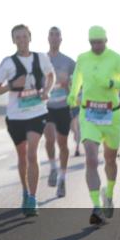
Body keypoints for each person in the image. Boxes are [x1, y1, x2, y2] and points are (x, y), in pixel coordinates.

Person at [67, 26, 120, 226]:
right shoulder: (83, 58)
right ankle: (96, 207)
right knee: (90, 159)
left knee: (110, 160)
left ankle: (110, 194)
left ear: (106, 40)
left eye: (99, 42)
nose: (96, 45)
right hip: (89, 115)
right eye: (93, 42)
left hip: (112, 115)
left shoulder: (115, 58)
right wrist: (73, 95)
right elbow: (77, 80)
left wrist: (112, 83)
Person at [0, 24, 56, 216]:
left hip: (36, 112)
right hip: (15, 116)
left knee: (31, 154)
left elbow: (50, 75)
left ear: (30, 37)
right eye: (17, 37)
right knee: (22, 156)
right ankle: (25, 191)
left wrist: (47, 90)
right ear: (13, 40)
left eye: (24, 36)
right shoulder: (8, 63)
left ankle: (33, 198)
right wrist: (12, 85)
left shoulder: (40, 58)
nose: (21, 40)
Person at [43, 26, 75, 198]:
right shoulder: (41, 59)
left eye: (57, 36)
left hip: (63, 106)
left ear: (61, 39)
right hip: (46, 106)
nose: (54, 38)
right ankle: (53, 167)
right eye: (52, 35)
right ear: (48, 39)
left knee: (62, 144)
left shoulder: (68, 62)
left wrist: (70, 88)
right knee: (49, 139)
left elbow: (79, 81)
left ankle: (62, 177)